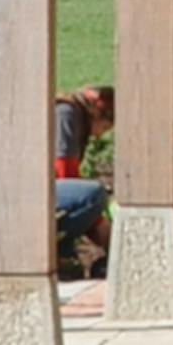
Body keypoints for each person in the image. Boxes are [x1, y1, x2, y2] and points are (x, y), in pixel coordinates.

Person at [52, 83, 115, 272]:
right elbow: (64, 172)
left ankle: (65, 254)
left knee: (92, 196)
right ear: (97, 113)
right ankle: (58, 249)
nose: (98, 135)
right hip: (33, 190)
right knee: (94, 195)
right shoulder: (67, 114)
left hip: (47, 189)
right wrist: (98, 223)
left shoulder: (73, 114)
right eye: (104, 127)